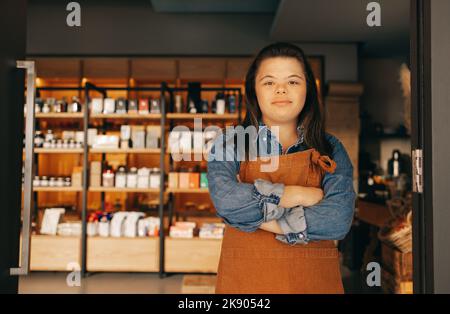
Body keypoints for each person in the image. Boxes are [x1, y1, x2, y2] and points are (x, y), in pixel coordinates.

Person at [207, 42, 356, 294]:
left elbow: (338, 220)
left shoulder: (331, 147)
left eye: (293, 81)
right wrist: (295, 195)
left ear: (308, 89)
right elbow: (225, 200)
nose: (280, 90)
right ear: (254, 92)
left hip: (315, 284)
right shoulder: (230, 142)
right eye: (268, 82)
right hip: (247, 286)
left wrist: (262, 221)